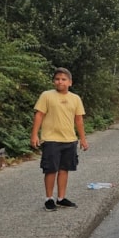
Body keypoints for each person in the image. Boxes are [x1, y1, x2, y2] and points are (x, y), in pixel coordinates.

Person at [30, 67, 89, 212]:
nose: (60, 82)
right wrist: (34, 134)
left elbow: (79, 120)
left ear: (70, 82)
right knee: (51, 169)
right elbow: (39, 115)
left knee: (64, 169)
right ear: (53, 82)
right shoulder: (47, 96)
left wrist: (83, 139)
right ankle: (49, 199)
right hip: (51, 139)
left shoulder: (75, 98)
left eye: (63, 79)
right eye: (57, 79)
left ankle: (61, 198)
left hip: (69, 139)